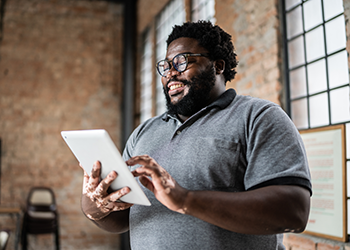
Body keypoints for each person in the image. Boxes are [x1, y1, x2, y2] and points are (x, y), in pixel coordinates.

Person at [80, 21, 312, 249]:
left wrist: (185, 200)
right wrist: (96, 209)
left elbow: (294, 212)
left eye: (181, 61)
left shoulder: (258, 117)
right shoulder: (143, 132)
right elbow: (125, 219)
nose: (170, 73)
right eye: (166, 65)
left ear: (218, 66)